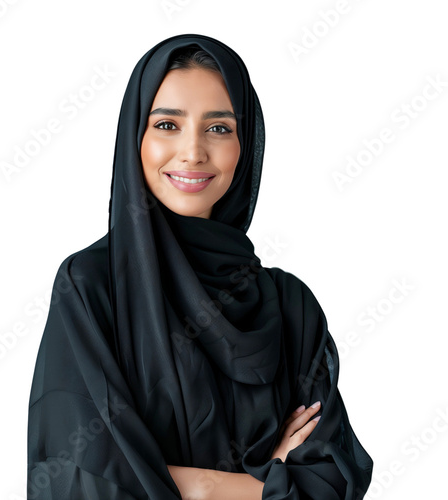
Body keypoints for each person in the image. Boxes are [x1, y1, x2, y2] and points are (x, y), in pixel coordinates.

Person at [27, 34, 373, 499]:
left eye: (219, 128)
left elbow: (334, 480)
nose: (193, 152)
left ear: (244, 145)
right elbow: (76, 479)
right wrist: (255, 485)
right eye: (167, 124)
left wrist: (181, 482)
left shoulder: (291, 306)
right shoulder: (92, 287)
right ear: (136, 137)